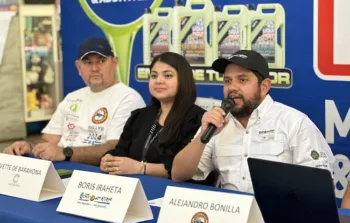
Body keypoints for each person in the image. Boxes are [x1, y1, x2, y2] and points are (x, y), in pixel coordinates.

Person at [172, 50, 335, 193]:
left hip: (278, 221)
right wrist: (202, 136)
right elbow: (178, 174)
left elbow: (320, 188)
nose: (232, 87)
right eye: (227, 81)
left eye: (242, 80)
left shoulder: (294, 122)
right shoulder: (217, 124)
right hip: (230, 217)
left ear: (264, 87)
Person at [3, 37, 145, 166]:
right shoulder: (72, 98)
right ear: (78, 67)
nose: (94, 68)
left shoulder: (128, 98)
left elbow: (114, 149)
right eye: (88, 62)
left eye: (101, 61)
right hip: (58, 168)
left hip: (97, 174)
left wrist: (64, 153)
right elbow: (48, 141)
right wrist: (29, 146)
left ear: (114, 63)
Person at [100, 52, 205, 178]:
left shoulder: (198, 119)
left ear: (183, 80)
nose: (159, 81)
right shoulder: (140, 116)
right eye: (154, 76)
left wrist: (140, 168)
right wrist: (109, 158)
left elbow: (182, 170)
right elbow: (121, 150)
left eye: (168, 75)